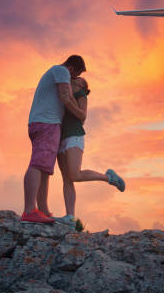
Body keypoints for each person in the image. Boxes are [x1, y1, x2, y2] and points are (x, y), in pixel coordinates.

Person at [21, 55, 87, 223]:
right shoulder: (61, 71)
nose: (73, 80)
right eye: (75, 76)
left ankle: (43, 210)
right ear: (71, 69)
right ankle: (29, 210)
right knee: (37, 165)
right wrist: (80, 114)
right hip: (47, 123)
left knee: (44, 168)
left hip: (43, 122)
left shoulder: (55, 71)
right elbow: (65, 96)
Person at [54, 76, 125, 226]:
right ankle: (70, 217)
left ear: (83, 86)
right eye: (75, 78)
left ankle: (109, 177)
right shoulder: (64, 94)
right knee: (67, 179)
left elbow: (82, 115)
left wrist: (68, 102)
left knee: (75, 174)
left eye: (79, 80)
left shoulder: (80, 95)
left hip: (74, 135)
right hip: (60, 137)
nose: (75, 80)